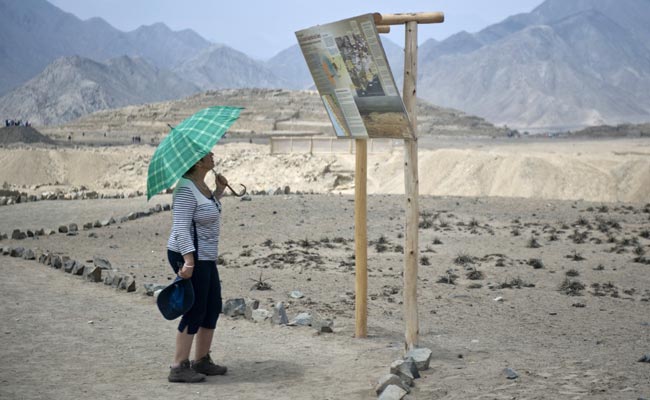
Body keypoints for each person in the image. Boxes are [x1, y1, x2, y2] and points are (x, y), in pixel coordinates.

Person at [166, 151, 229, 383]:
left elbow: (206, 213)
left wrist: (219, 191)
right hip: (190, 255)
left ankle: (201, 360)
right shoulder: (184, 189)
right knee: (195, 308)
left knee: (212, 306)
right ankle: (178, 366)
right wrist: (189, 262)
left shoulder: (200, 185)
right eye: (208, 154)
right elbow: (181, 228)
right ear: (198, 161)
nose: (213, 154)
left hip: (205, 256)